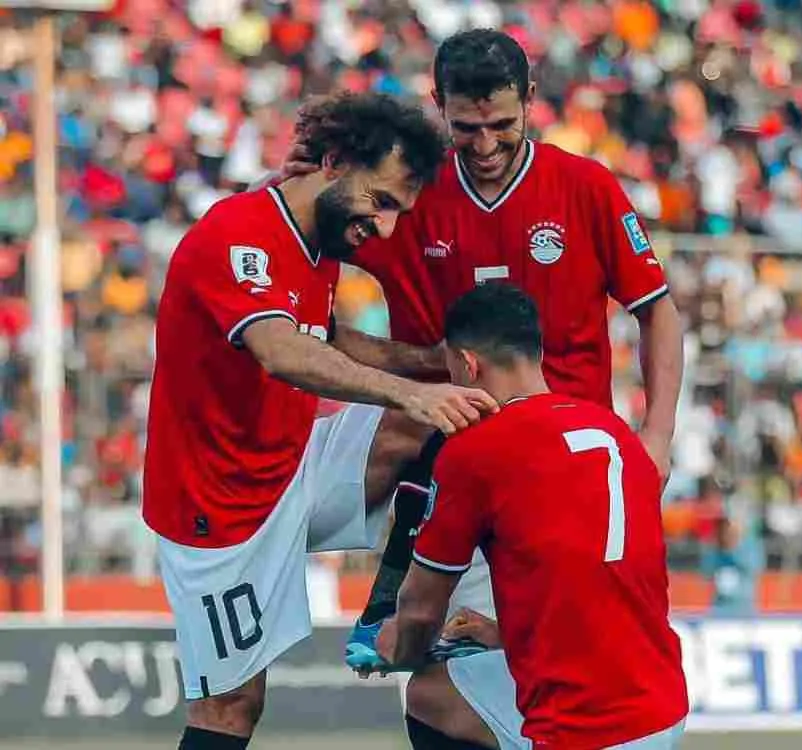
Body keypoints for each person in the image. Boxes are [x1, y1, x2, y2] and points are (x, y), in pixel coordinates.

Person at [277, 29, 685, 747]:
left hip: (566, 488)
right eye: (466, 128)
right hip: (455, 471)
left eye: (503, 124)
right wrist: (298, 187)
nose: (487, 144)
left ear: (531, 100)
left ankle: (388, 599)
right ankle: (316, 564)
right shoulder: (410, 194)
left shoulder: (584, 187)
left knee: (508, 684)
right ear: (439, 108)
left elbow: (659, 311)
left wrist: (657, 436)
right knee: (436, 694)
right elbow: (298, 277)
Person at [142, 93, 498, 750]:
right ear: (333, 163)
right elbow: (281, 349)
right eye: (382, 202)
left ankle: (390, 607)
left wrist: (428, 365)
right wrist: (405, 390)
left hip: (294, 465)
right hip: (219, 511)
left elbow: (324, 335)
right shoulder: (240, 233)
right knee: (230, 709)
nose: (386, 228)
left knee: (432, 424)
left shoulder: (319, 240)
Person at [377, 284, 690, 749]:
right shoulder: (615, 431)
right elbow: (601, 582)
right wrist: (508, 636)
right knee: (440, 693)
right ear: (538, 353)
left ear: (467, 364)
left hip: (583, 729)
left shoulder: (475, 451)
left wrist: (395, 647)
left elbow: (421, 609)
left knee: (425, 691)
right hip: (662, 709)